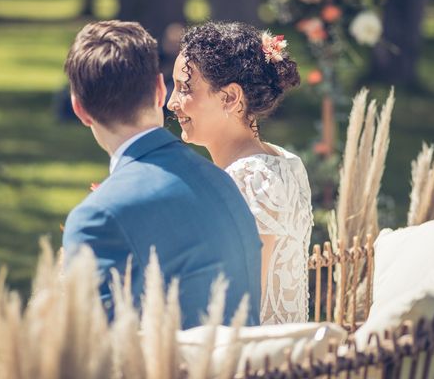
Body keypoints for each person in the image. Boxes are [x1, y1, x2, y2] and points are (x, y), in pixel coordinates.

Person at [62, 20, 261, 329]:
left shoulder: (97, 217)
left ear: (80, 109)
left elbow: (91, 348)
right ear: (159, 89)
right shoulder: (223, 182)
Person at [166, 21, 313, 325]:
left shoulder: (249, 179)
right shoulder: (286, 161)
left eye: (184, 89)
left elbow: (239, 307)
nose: (171, 103)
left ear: (230, 98)